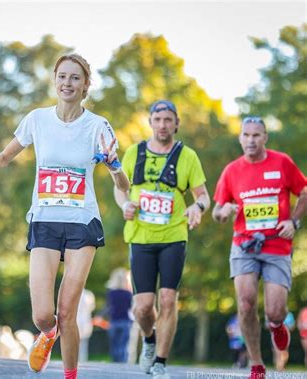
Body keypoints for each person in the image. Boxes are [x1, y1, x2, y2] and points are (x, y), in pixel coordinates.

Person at [0, 53, 130, 378]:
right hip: (45, 221)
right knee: (43, 316)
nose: (67, 83)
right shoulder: (37, 119)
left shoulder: (98, 126)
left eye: (75, 78)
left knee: (68, 313)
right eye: (62, 76)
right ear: (54, 80)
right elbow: (7, 156)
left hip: (82, 224)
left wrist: (114, 166)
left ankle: (70, 375)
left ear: (85, 85)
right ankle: (47, 336)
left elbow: (123, 184)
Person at [114, 100, 210, 378]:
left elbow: (203, 195)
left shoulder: (188, 156)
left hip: (174, 236)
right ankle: (149, 339)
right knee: (143, 307)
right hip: (141, 237)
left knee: (168, 299)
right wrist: (124, 205)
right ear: (151, 122)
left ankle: (160, 363)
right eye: (158, 119)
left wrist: (197, 207)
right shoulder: (134, 153)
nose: (163, 125)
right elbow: (120, 189)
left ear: (176, 123)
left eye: (168, 120)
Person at [212, 116, 307, 379]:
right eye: (246, 135)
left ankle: (277, 326)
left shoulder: (282, 162)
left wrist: (294, 222)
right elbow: (217, 212)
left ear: (265, 137)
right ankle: (256, 364)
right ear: (240, 138)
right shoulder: (232, 170)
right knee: (245, 303)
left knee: (275, 310)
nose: (251, 140)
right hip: (244, 245)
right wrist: (225, 210)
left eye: (257, 135)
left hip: (277, 245)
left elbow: (304, 191)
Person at [105, 268, 133, 363]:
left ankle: (115, 363)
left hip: (113, 321)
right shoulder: (128, 294)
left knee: (114, 345)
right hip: (126, 321)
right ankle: (122, 364)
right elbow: (131, 307)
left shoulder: (111, 293)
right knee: (123, 345)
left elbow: (108, 307)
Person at [76, 289, 95, 362]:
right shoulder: (89, 294)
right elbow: (92, 307)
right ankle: (82, 360)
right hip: (85, 320)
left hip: (77, 319)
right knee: (83, 343)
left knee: (73, 342)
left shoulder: (72, 292)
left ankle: (73, 360)